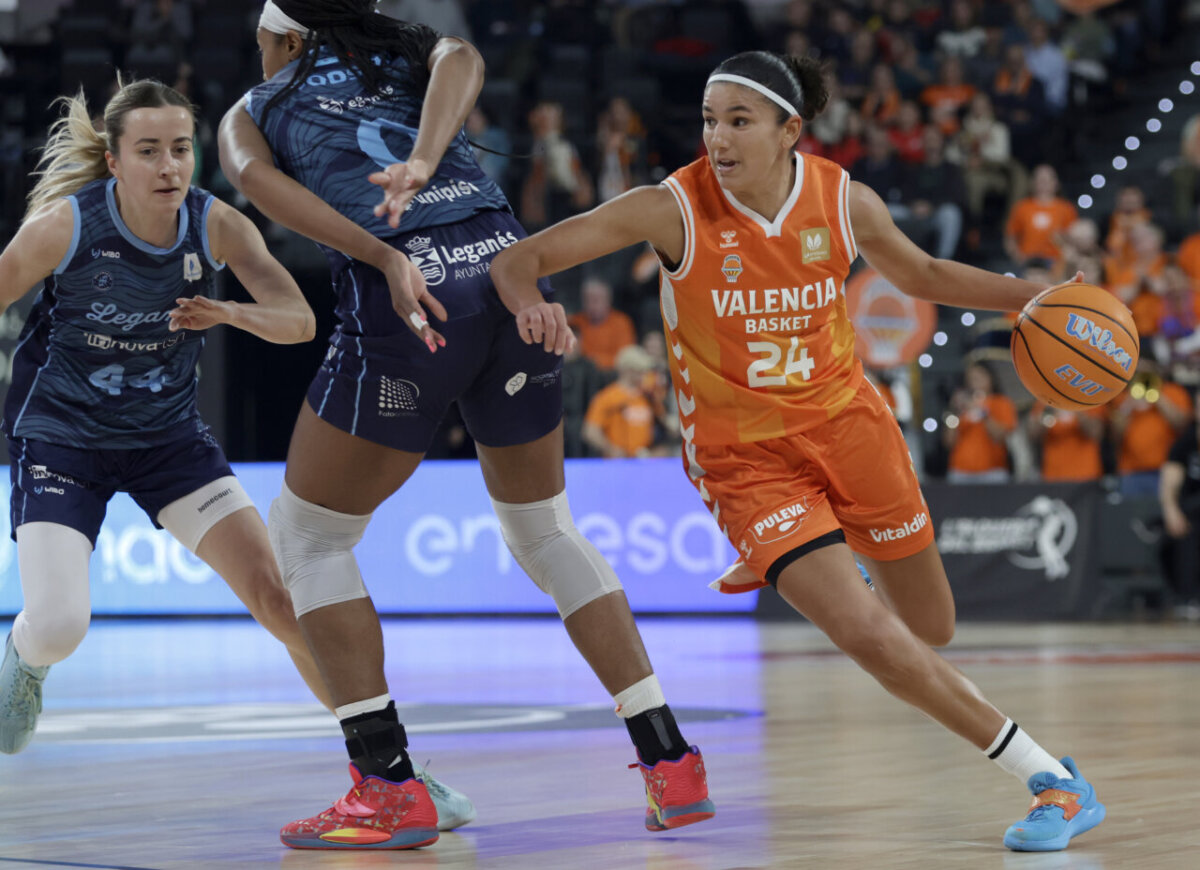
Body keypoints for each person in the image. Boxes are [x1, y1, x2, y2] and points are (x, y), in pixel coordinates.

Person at [491, 49, 1106, 853]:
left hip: (851, 427)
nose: (717, 138)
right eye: (709, 120)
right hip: (745, 462)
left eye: (738, 121)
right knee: (866, 634)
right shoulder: (669, 208)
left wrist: (1035, 298)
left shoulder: (843, 200)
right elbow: (519, 260)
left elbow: (921, 273)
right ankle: (1054, 780)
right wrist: (532, 306)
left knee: (932, 625)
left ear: (790, 131)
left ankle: (818, 553)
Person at [219, 0, 714, 850]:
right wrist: (422, 157)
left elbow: (257, 186)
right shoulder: (404, 55)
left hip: (411, 291)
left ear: (284, 37)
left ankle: (386, 783)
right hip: (506, 271)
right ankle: (670, 760)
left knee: (308, 538)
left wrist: (384, 253)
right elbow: (465, 58)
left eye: (261, 42)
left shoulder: (254, 108)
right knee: (545, 531)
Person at [0, 79, 329, 751]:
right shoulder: (66, 226)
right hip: (63, 439)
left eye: (180, 148)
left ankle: (385, 765)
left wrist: (230, 312)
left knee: (280, 600)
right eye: (148, 151)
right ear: (115, 162)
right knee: (59, 626)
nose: (169, 166)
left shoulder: (216, 224)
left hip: (169, 441)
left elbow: (299, 321)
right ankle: (25, 661)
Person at [1158, 399, 1200, 619]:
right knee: (1185, 533)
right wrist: (1171, 510)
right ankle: (1188, 598)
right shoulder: (1186, 442)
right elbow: (1169, 481)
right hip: (1192, 509)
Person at [944, 361, 1017, 483]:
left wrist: (982, 412)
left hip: (993, 472)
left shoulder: (1001, 402)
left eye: (979, 377)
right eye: (971, 378)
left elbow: (1000, 436)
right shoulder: (962, 405)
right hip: (960, 471)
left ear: (990, 378)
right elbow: (948, 442)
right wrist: (955, 411)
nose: (974, 382)